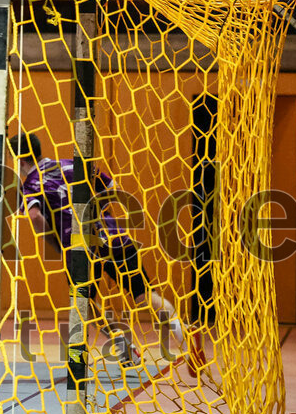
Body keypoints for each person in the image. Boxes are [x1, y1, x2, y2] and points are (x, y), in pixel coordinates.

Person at [11, 132, 185, 361]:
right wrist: (97, 212)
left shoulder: (31, 184)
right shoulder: (73, 165)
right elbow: (113, 187)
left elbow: (34, 218)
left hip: (80, 247)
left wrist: (57, 241)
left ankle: (124, 346)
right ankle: (185, 337)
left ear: (20, 160)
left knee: (86, 304)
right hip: (114, 237)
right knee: (144, 295)